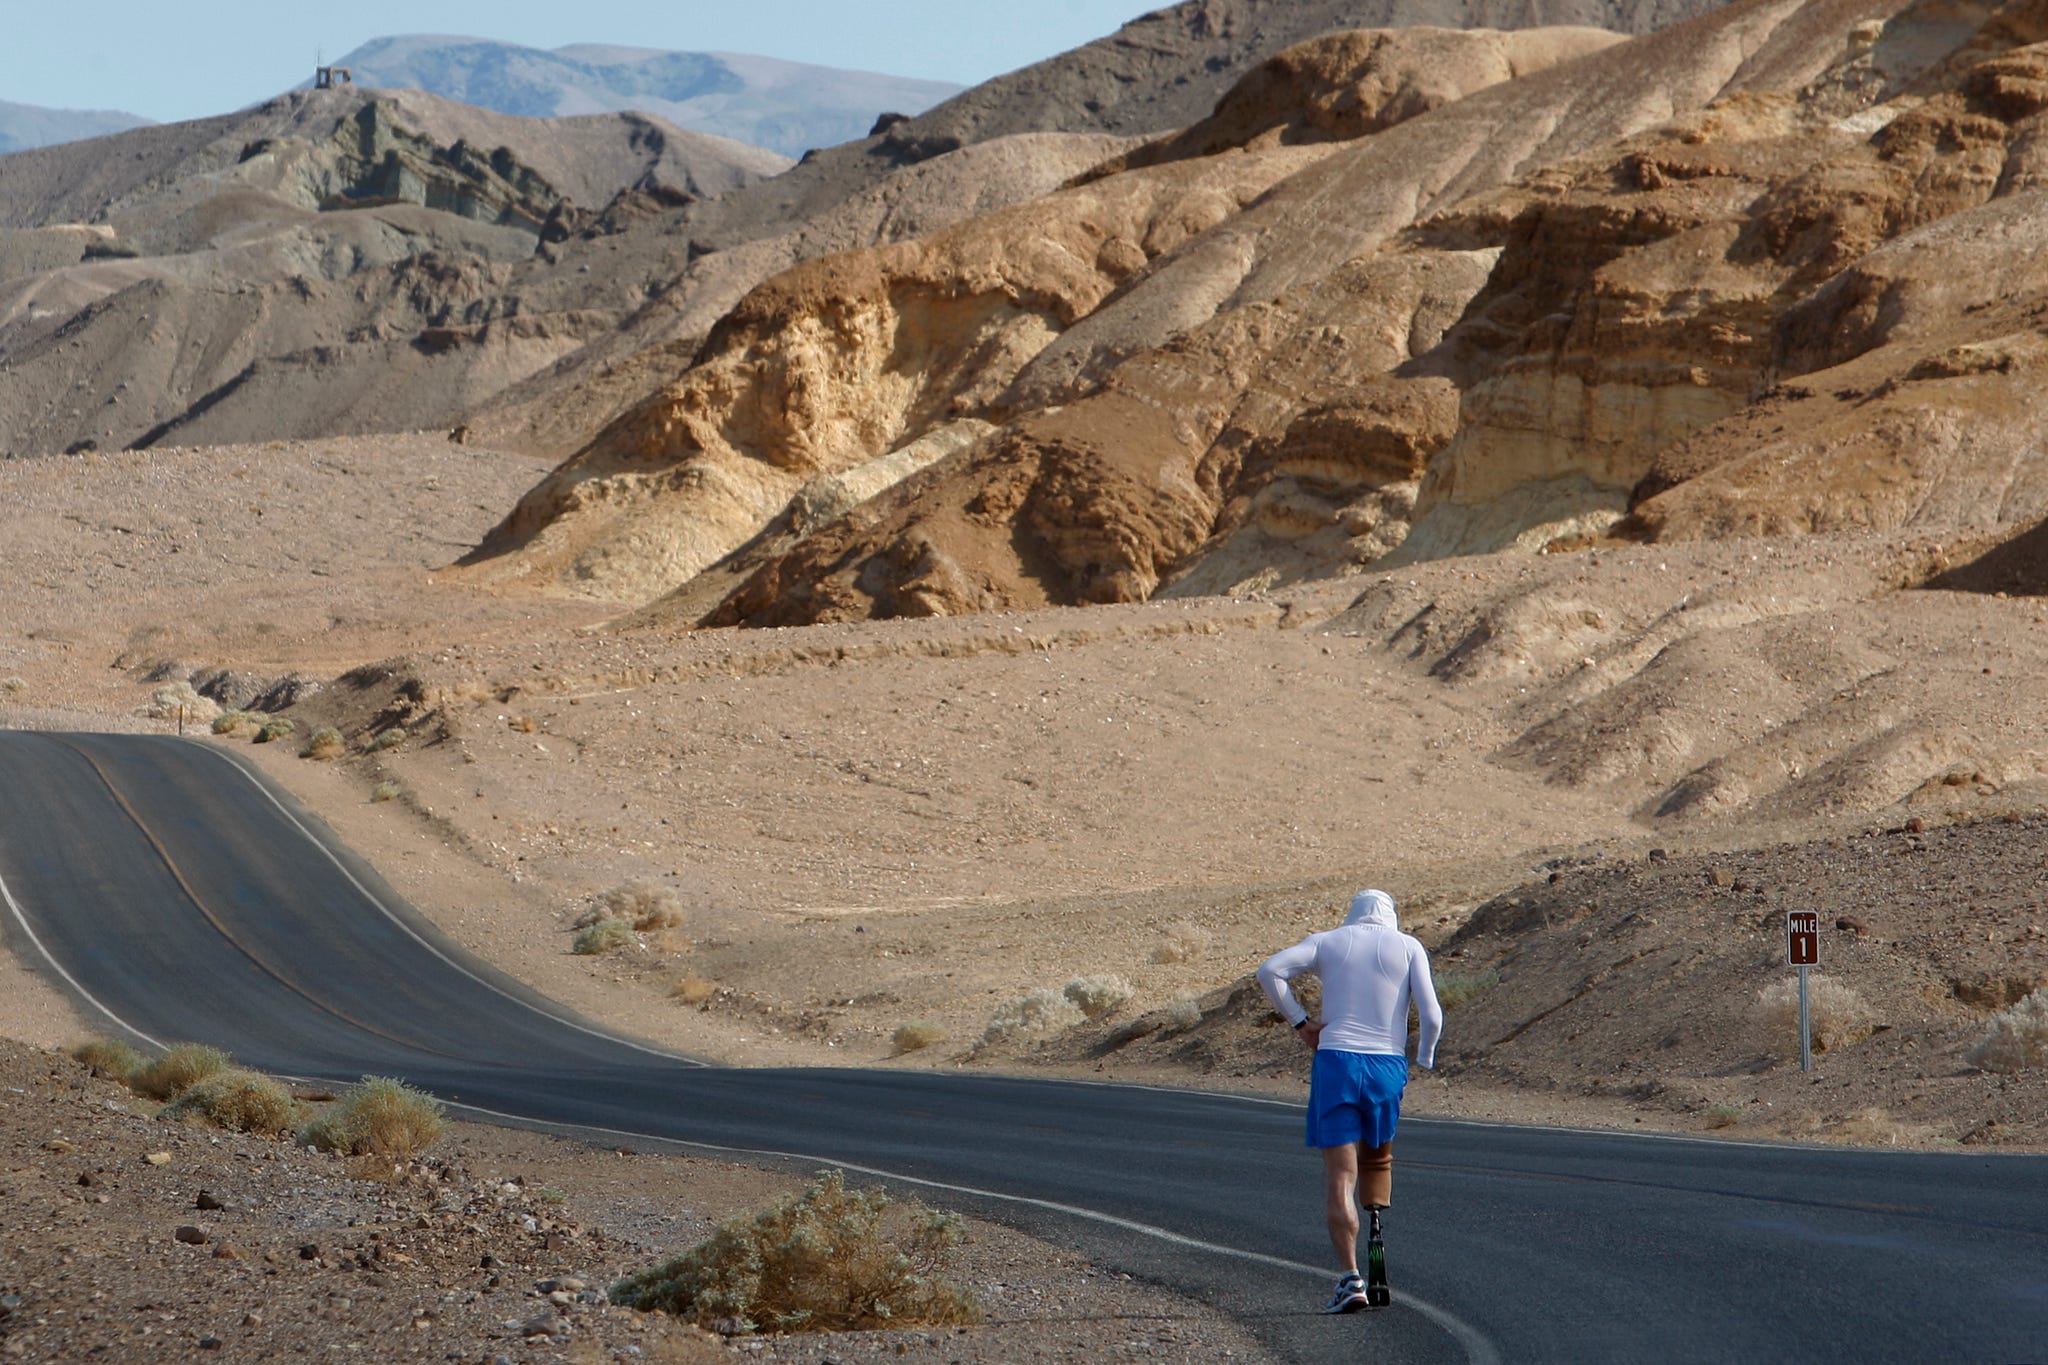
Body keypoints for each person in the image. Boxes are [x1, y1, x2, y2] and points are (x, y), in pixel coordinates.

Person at [1257, 888, 1442, 1313]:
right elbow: (1432, 1015)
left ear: (1353, 915)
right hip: (1387, 1066)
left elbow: (1269, 972)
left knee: (1341, 1175)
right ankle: (1376, 1211)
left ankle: (1351, 1278)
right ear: (1390, 916)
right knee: (1377, 1161)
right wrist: (1424, 1058)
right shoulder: (1409, 946)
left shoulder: (1327, 941)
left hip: (1336, 1060)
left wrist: (1302, 1023)